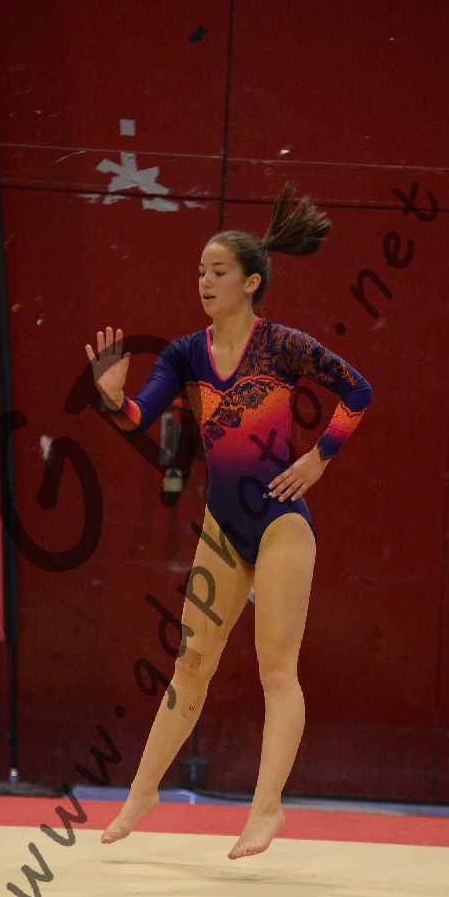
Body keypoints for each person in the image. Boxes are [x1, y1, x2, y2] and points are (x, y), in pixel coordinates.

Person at [84, 181, 373, 859]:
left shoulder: (283, 346)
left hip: (280, 523)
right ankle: (142, 794)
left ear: (250, 282)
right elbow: (139, 419)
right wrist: (112, 398)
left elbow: (358, 391)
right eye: (199, 272)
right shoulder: (186, 353)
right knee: (190, 665)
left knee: (277, 669)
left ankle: (266, 809)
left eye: (217, 272)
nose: (204, 282)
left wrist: (319, 458)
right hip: (222, 525)